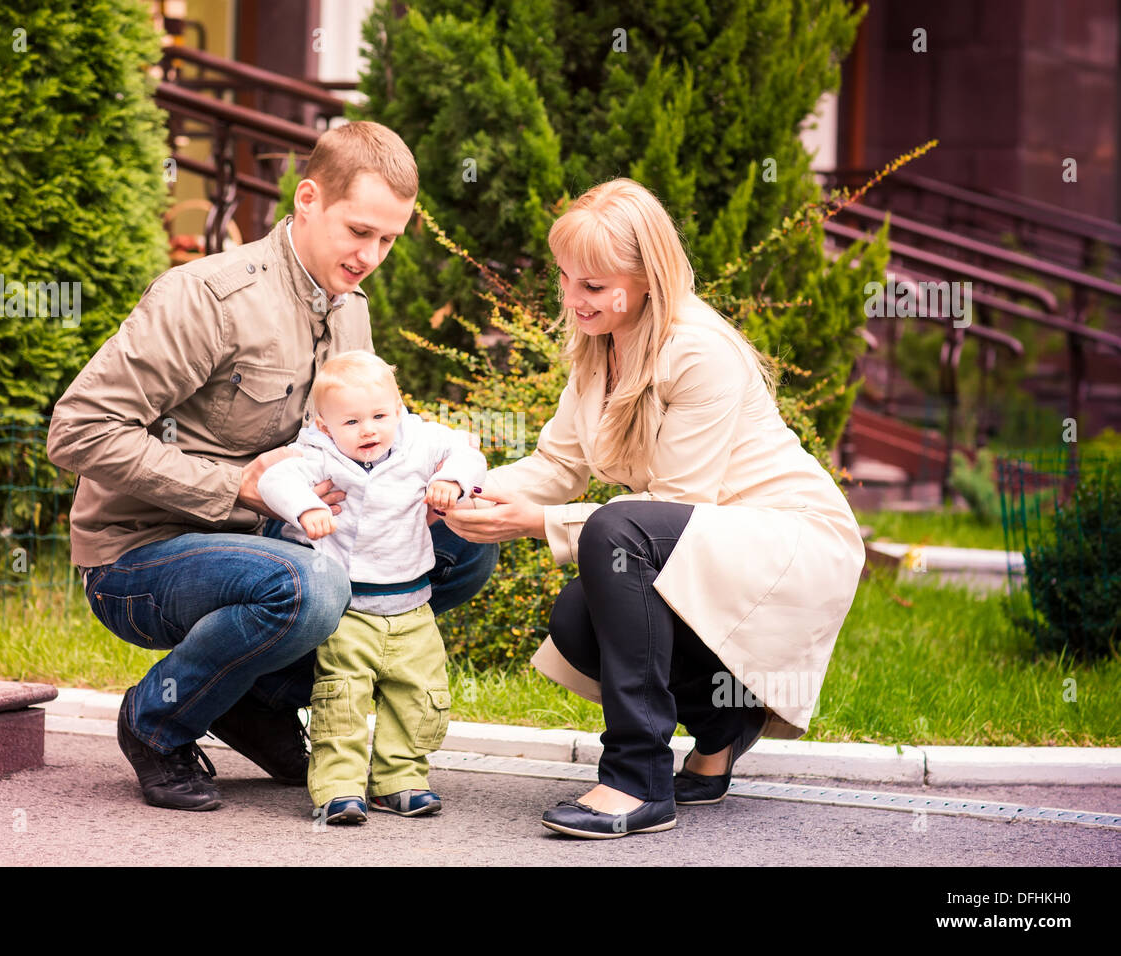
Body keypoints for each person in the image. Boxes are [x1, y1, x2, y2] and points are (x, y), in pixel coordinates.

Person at [46, 122, 499, 811]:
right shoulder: (205, 298)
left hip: (278, 545)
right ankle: (156, 723)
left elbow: (367, 438)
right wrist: (236, 488)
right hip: (141, 557)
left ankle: (247, 698)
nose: (371, 255)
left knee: (462, 551)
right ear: (309, 198)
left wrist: (433, 487)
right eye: (359, 231)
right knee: (312, 584)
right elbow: (77, 429)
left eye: (388, 240)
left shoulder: (351, 312)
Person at [442, 178, 866, 838]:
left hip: (789, 541)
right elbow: (556, 464)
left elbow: (672, 506)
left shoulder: (698, 350)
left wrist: (534, 523)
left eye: (594, 284)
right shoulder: (600, 344)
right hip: (710, 542)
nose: (573, 299)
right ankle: (726, 726)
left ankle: (637, 780)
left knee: (615, 531)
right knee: (579, 619)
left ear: (646, 277)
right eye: (565, 278)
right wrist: (468, 490)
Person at [257, 351, 486, 824]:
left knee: (417, 694)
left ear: (398, 410)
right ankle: (338, 788)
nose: (369, 430)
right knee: (342, 698)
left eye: (380, 416)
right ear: (324, 426)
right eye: (352, 421)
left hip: (412, 605)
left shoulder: (419, 441)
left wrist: (451, 480)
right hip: (350, 608)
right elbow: (276, 478)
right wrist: (305, 509)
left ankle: (399, 780)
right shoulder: (317, 453)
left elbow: (468, 452)